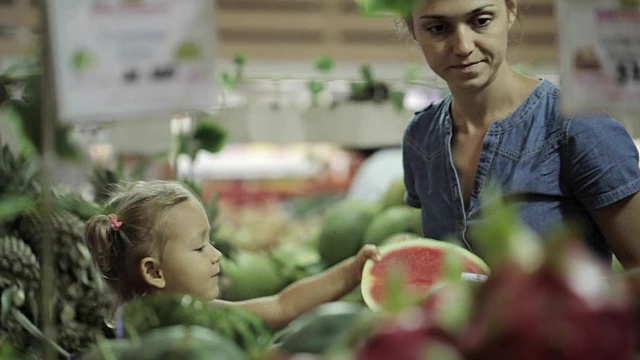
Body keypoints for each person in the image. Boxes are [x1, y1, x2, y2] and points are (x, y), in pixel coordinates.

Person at [401, 0, 640, 268]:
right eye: (438, 28)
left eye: (481, 21)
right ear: (413, 29)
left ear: (511, 10)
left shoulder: (580, 127)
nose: (463, 47)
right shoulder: (420, 139)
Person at [84, 180, 380, 330]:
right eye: (199, 247)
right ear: (155, 272)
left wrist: (351, 273)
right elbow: (281, 308)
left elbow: (282, 305)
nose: (216, 256)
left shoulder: (205, 314)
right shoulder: (194, 324)